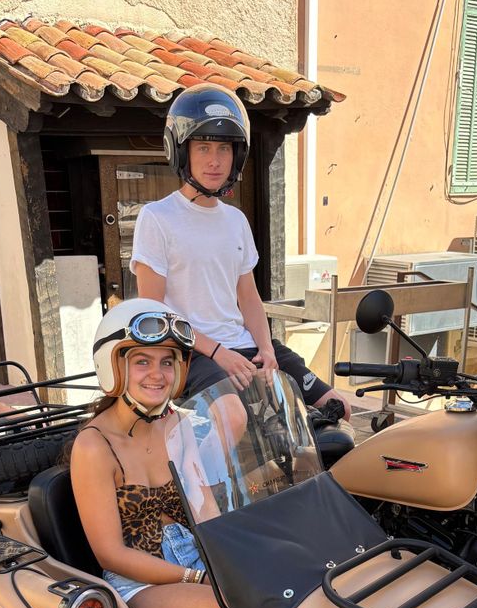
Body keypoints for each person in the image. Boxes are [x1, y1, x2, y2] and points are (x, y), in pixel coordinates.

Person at [129, 82, 351, 420]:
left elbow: (248, 296)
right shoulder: (157, 218)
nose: (215, 161)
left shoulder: (235, 220)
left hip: (244, 343)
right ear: (181, 150)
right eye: (203, 147)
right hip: (193, 352)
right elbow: (157, 312)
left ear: (237, 155)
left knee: (338, 408)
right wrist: (219, 352)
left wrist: (265, 347)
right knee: (234, 419)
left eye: (224, 149)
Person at [70, 298, 254, 608]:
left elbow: (202, 507)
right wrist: (192, 578)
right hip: (140, 583)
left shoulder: (176, 422)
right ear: (115, 365)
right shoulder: (93, 446)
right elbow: (110, 553)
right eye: (143, 361)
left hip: (197, 560)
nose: (158, 374)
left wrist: (232, 555)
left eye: (167, 361)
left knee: (283, 586)